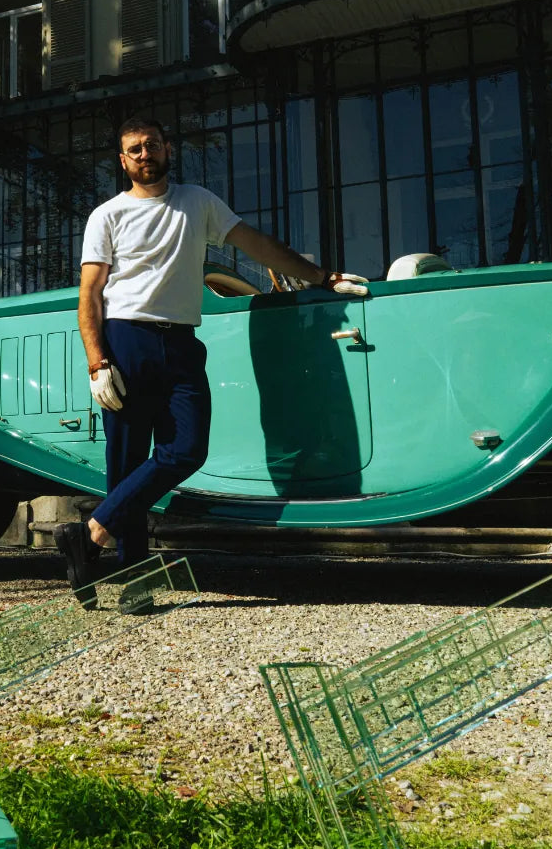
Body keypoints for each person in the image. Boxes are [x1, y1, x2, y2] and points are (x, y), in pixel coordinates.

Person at [54, 116, 368, 611]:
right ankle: (134, 583)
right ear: (122, 160)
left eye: (151, 145)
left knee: (187, 449)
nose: (144, 155)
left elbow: (256, 244)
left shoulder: (197, 202)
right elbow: (89, 294)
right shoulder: (106, 216)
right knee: (127, 466)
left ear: (166, 148)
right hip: (126, 339)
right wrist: (97, 361)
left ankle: (87, 535)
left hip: (180, 343)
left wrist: (321, 276)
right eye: (133, 149)